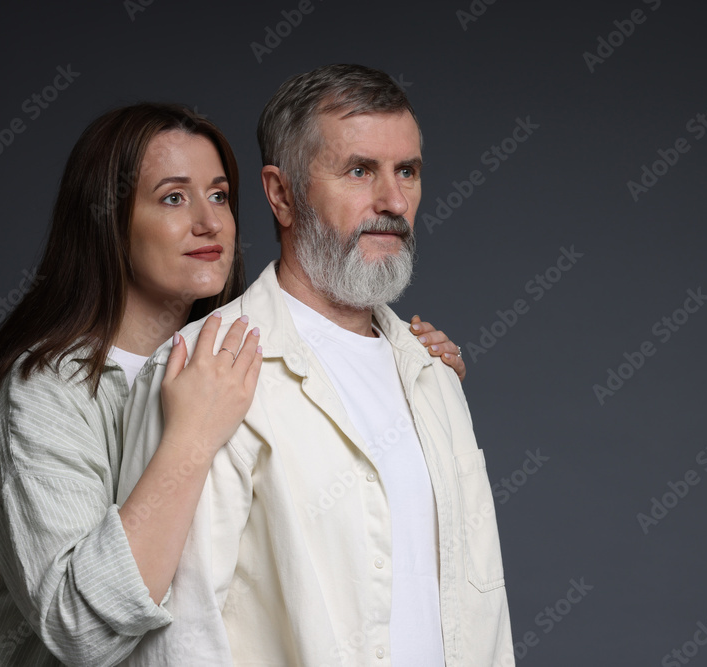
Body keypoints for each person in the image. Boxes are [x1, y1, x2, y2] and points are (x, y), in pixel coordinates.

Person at [0, 103, 464, 667]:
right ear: (106, 220)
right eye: (172, 197)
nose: (209, 222)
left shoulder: (250, 356)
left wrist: (406, 379)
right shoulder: (45, 393)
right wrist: (189, 439)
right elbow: (81, 631)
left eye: (218, 196)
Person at [118, 65, 513, 666]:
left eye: (407, 171)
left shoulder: (432, 372)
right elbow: (178, 636)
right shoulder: (205, 367)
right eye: (360, 171)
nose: (393, 201)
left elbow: (479, 608)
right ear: (281, 194)